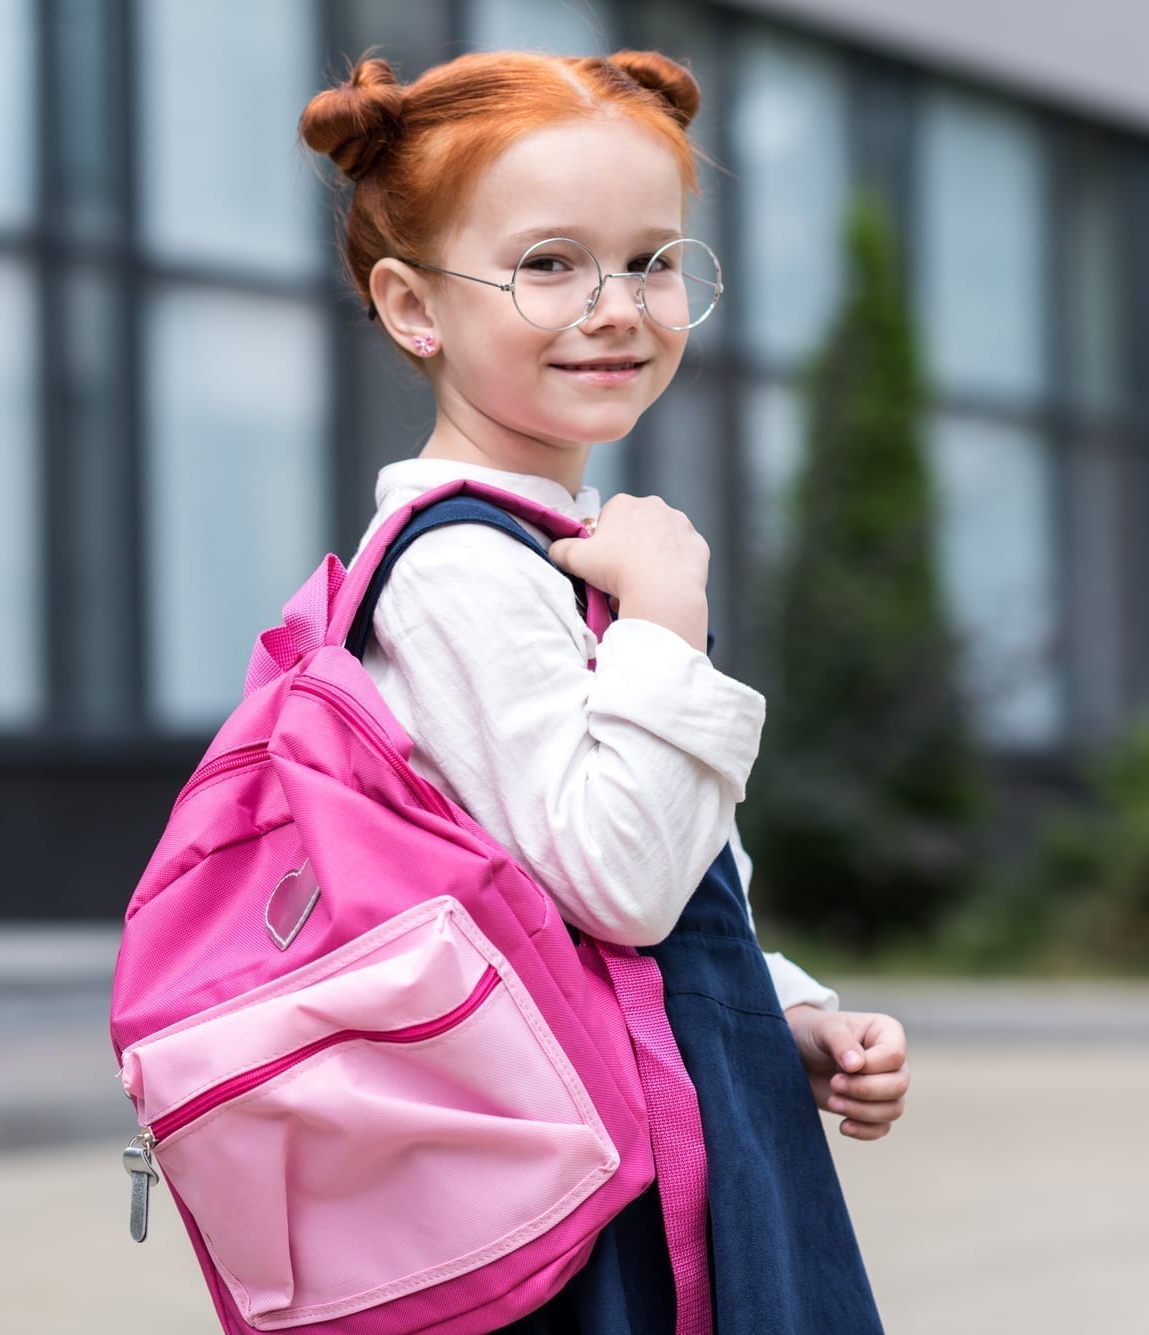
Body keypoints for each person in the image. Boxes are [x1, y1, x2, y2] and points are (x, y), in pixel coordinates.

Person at [298, 49, 909, 1332]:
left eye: (650, 259)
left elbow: (640, 888)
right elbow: (614, 885)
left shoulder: (550, 547)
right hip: (604, 1192)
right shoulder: (460, 568)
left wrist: (776, 1010)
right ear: (412, 306)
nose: (617, 304)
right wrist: (667, 617)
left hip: (659, 1118)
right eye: (546, 263)